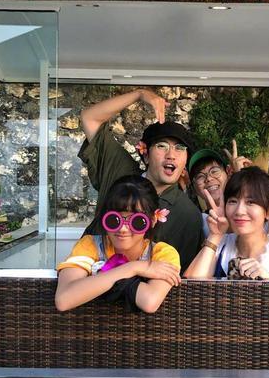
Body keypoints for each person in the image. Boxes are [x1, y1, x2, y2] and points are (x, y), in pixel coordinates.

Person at [78, 89, 203, 272]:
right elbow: (90, 118)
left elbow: (178, 277)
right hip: (85, 278)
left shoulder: (188, 215)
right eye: (161, 146)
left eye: (180, 148)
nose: (171, 155)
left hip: (141, 288)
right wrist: (139, 94)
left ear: (185, 161)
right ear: (145, 154)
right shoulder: (121, 172)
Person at [55, 176, 181, 313]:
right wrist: (134, 268)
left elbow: (149, 302)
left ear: (152, 220)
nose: (123, 229)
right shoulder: (90, 244)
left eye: (137, 221)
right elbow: (64, 299)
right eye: (114, 219)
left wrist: (100, 281)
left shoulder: (163, 253)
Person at [184, 167, 269, 281]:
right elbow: (191, 285)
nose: (239, 211)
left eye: (250, 202)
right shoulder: (219, 246)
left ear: (268, 212)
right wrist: (215, 235)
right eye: (233, 201)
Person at [188, 140, 252, 236]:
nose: (208, 178)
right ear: (194, 187)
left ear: (228, 173)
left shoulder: (251, 211)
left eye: (214, 171)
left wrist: (241, 177)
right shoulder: (197, 223)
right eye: (200, 176)